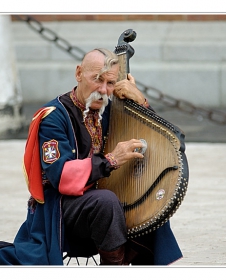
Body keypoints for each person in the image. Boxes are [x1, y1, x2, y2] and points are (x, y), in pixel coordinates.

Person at [0, 48, 182, 265]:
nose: (103, 90)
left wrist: (141, 102)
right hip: (61, 207)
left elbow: (172, 142)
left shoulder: (114, 111)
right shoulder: (53, 117)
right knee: (105, 201)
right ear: (78, 73)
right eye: (97, 79)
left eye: (110, 83)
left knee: (150, 197)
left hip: (101, 201)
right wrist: (112, 160)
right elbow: (62, 177)